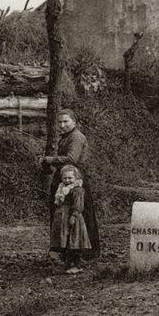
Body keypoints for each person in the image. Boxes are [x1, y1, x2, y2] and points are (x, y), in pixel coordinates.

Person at [38, 109, 101, 259]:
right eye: (59, 122)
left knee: (78, 216)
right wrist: (49, 165)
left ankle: (85, 254)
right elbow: (63, 161)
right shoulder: (65, 138)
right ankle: (65, 252)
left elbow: (72, 159)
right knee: (62, 217)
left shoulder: (77, 137)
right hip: (65, 178)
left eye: (66, 121)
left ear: (74, 121)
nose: (62, 125)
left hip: (76, 181)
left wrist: (50, 160)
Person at [49, 165, 91, 274]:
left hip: (72, 218)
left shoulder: (77, 190)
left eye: (70, 178)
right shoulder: (61, 189)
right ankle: (66, 264)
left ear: (76, 178)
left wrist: (74, 216)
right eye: (65, 178)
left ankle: (77, 265)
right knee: (65, 241)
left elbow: (78, 205)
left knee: (74, 241)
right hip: (62, 218)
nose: (67, 180)